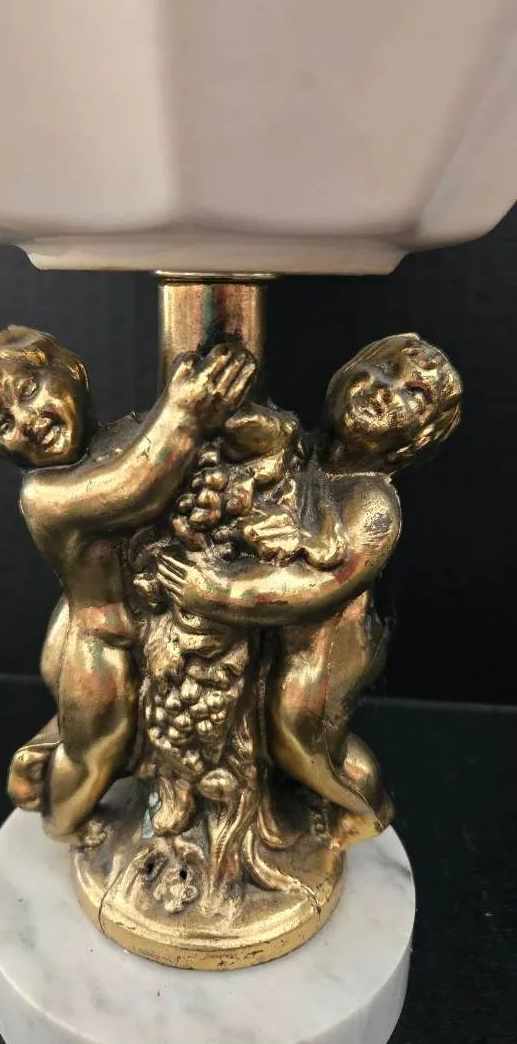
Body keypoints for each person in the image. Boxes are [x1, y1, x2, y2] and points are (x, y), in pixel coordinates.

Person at [0, 325, 255, 844]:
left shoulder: (119, 437)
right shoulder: (45, 496)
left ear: (72, 370)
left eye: (28, 390)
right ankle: (61, 820)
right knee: (98, 746)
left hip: (134, 632)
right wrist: (183, 413)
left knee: (116, 734)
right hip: (100, 645)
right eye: (2, 425)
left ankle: (46, 750)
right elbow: (131, 487)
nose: (26, 421)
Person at [157, 334, 462, 844]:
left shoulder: (373, 505)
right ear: (346, 374)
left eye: (414, 395)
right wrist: (212, 415)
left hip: (325, 651)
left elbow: (312, 587)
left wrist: (215, 592)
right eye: (383, 369)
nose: (386, 390)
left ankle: (366, 806)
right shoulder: (305, 449)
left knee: (299, 736)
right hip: (273, 639)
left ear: (417, 440)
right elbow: (264, 437)